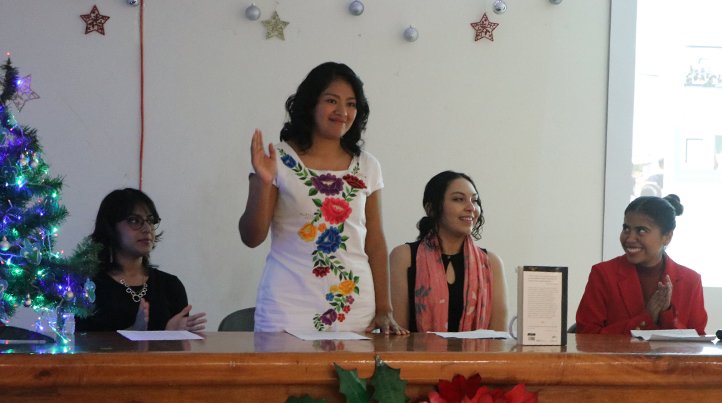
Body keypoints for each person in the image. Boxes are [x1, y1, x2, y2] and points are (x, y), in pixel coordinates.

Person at [239, 62, 407, 334]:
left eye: (351, 104)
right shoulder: (277, 159)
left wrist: (384, 308)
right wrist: (264, 182)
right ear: (310, 104)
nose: (342, 112)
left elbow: (375, 242)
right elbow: (251, 237)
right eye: (332, 101)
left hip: (354, 308)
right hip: (287, 308)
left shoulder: (368, 165)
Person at [389, 171, 508, 332]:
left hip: (477, 357)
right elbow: (397, 334)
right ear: (431, 209)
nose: (471, 208)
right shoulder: (404, 256)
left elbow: (497, 339)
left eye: (475, 200)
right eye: (458, 199)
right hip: (418, 357)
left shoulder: (491, 262)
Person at [76, 189, 206, 332]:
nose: (147, 229)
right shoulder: (89, 286)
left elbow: (180, 353)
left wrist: (171, 336)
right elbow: (82, 347)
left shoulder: (170, 286)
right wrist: (133, 333)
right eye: (134, 221)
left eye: (150, 221)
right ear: (110, 228)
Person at [576, 194, 707, 335]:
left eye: (641, 231)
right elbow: (586, 337)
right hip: (616, 358)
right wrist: (645, 319)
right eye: (626, 229)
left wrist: (667, 314)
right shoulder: (604, 273)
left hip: (670, 358)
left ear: (667, 237)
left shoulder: (690, 280)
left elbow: (696, 343)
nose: (630, 238)